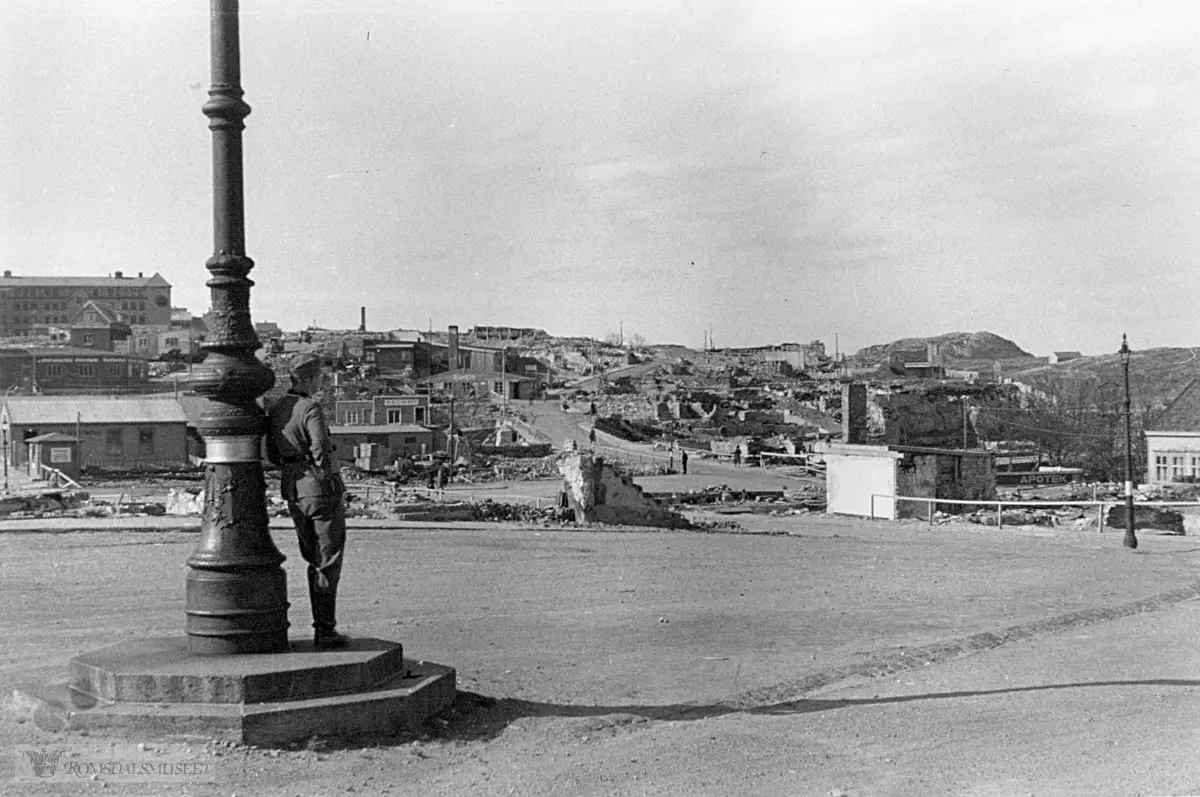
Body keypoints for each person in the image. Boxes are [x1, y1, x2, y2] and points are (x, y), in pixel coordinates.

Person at [266, 353, 350, 650]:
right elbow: (321, 449)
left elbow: (271, 454)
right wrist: (325, 476)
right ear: (308, 378)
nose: (321, 382)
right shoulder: (310, 408)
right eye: (319, 377)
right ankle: (325, 630)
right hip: (320, 490)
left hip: (293, 489)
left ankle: (323, 626)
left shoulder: (277, 409)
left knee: (312, 558)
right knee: (328, 560)